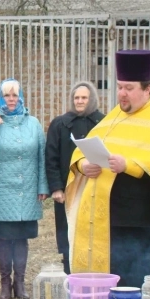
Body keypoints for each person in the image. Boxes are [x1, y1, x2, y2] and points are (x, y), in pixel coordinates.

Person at [65, 50, 150, 294]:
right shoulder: (113, 120)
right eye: (120, 87)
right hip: (110, 229)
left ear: (147, 90)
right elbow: (82, 150)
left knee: (142, 290)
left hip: (149, 231)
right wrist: (84, 165)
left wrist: (130, 166)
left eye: (129, 88)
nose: (122, 93)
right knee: (114, 291)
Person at [0, 78, 49, 299]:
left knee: (22, 237)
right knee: (4, 238)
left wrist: (42, 185)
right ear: (0, 97)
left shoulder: (33, 124)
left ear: (21, 97)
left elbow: (41, 156)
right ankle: (5, 284)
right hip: (1, 191)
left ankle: (20, 284)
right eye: (7, 95)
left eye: (14, 95)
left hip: (26, 190)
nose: (11, 99)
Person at [45, 81, 105, 274]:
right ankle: (70, 274)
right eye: (76, 98)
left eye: (84, 98)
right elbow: (51, 157)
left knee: (94, 235)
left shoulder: (103, 123)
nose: (79, 101)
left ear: (92, 99)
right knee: (68, 235)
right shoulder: (60, 124)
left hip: (95, 188)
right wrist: (56, 187)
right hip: (67, 189)